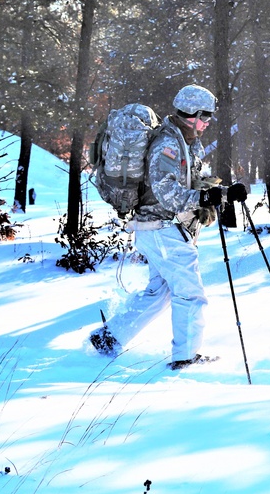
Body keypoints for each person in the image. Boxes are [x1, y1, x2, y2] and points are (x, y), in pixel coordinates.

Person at [88, 84, 248, 370]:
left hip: (158, 229)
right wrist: (205, 197)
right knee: (190, 292)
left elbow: (189, 183)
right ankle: (185, 357)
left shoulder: (184, 140)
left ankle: (109, 338)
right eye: (206, 115)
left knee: (160, 291)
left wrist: (223, 193)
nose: (209, 121)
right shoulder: (168, 144)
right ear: (193, 113)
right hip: (162, 228)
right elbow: (168, 194)